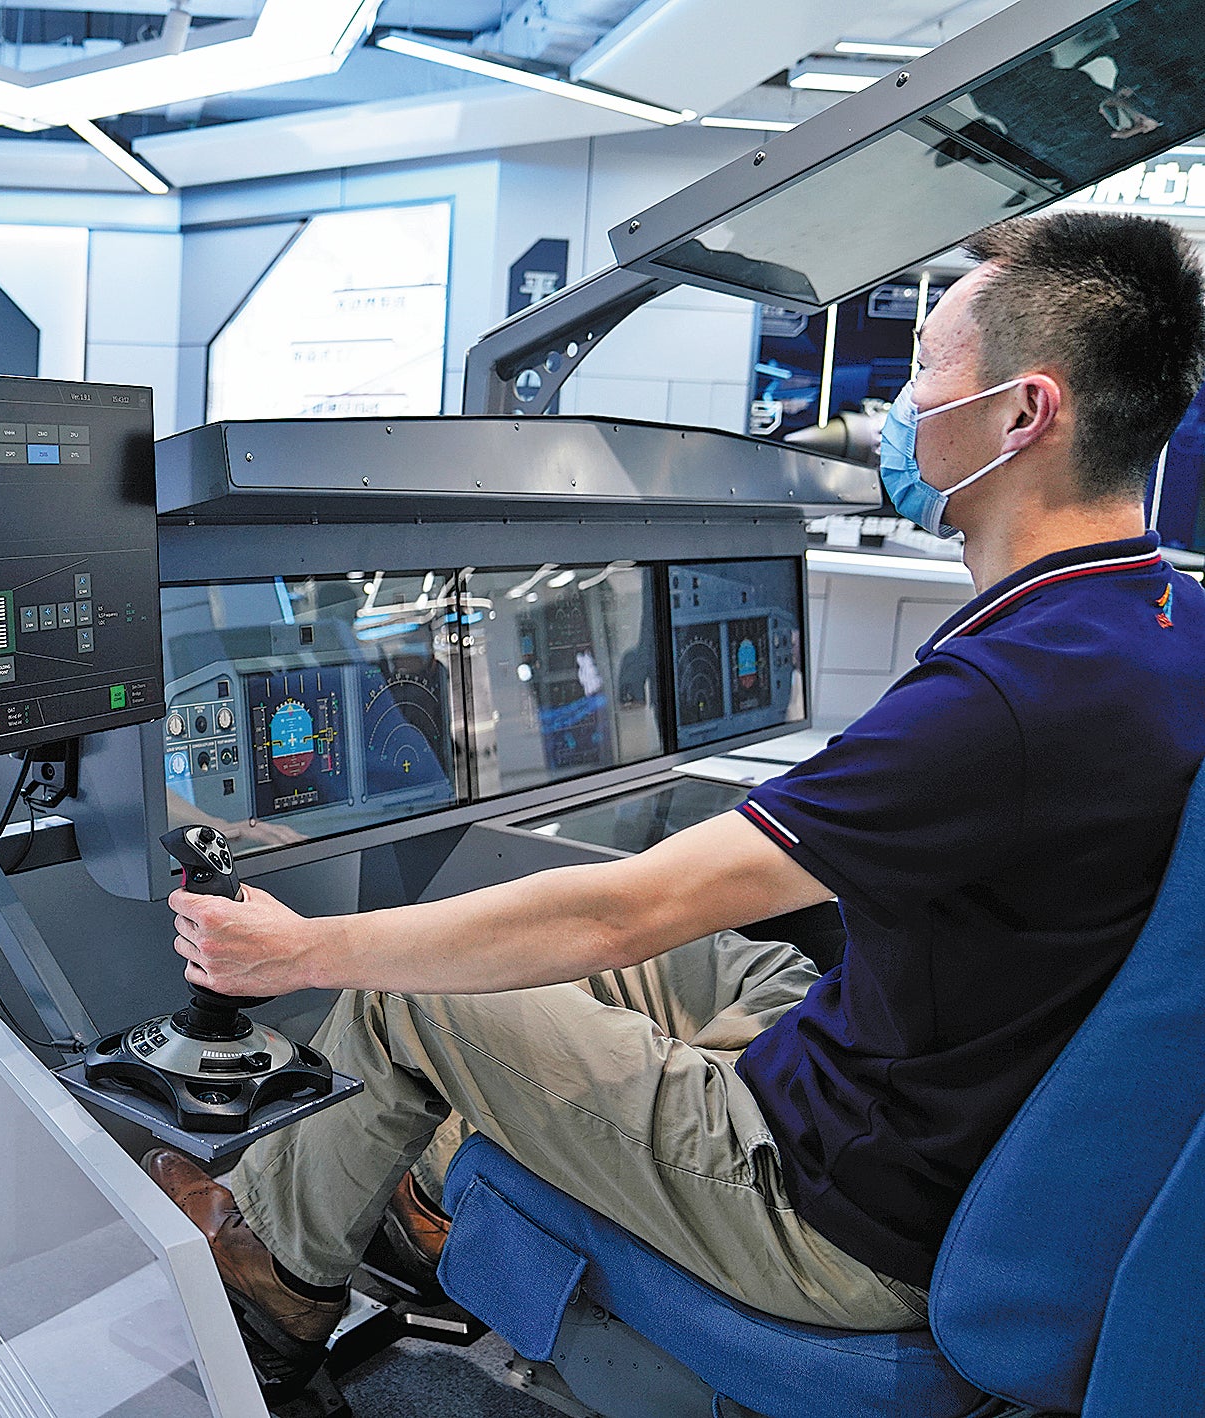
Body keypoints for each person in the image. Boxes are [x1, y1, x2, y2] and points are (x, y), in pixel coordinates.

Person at [144, 211, 1205, 1384]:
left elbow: (618, 914)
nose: (897, 407)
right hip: (925, 1095)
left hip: (835, 1213)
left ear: (1022, 414)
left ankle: (274, 1276)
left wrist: (301, 948)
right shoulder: (1154, 622)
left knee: (412, 995)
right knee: (697, 949)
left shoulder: (1003, 697)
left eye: (921, 372)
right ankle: (436, 1168)